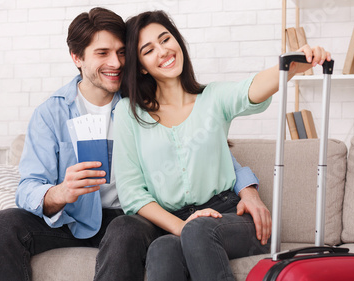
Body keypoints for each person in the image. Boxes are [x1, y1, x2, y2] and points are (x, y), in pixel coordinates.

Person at [0, 7, 266, 281]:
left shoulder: (143, 105)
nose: (116, 63)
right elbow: (28, 186)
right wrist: (60, 192)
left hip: (132, 218)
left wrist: (247, 188)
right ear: (76, 57)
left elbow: (197, 151)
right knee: (2, 224)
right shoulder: (51, 113)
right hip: (74, 218)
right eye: (102, 53)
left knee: (124, 228)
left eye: (121, 53)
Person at [113, 10, 331, 281]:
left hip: (231, 215)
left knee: (197, 231)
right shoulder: (128, 113)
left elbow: (249, 90)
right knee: (162, 248)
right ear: (142, 65)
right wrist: (183, 226)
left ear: (177, 42)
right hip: (179, 223)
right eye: (149, 50)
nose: (163, 51)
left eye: (166, 39)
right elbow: (132, 193)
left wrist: (290, 67)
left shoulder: (212, 98)